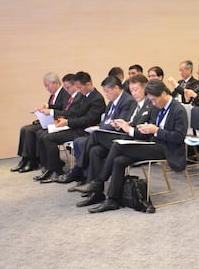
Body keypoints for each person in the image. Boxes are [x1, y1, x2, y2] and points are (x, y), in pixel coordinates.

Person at [77, 80, 188, 213]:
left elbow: (179, 138)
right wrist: (143, 129)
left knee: (117, 146)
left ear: (164, 93)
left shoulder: (178, 109)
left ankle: (99, 181)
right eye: (151, 101)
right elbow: (150, 130)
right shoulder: (157, 108)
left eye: (154, 100)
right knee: (119, 160)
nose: (153, 103)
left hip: (167, 149)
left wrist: (156, 131)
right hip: (152, 143)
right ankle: (112, 200)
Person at [12, 72, 71, 173]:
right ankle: (25, 158)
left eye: (48, 85)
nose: (47, 88)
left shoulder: (64, 93)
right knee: (25, 129)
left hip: (56, 122)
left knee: (31, 131)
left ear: (56, 83)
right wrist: (44, 108)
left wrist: (49, 109)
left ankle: (32, 160)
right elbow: (53, 106)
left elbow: (63, 109)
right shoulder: (53, 95)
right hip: (49, 120)